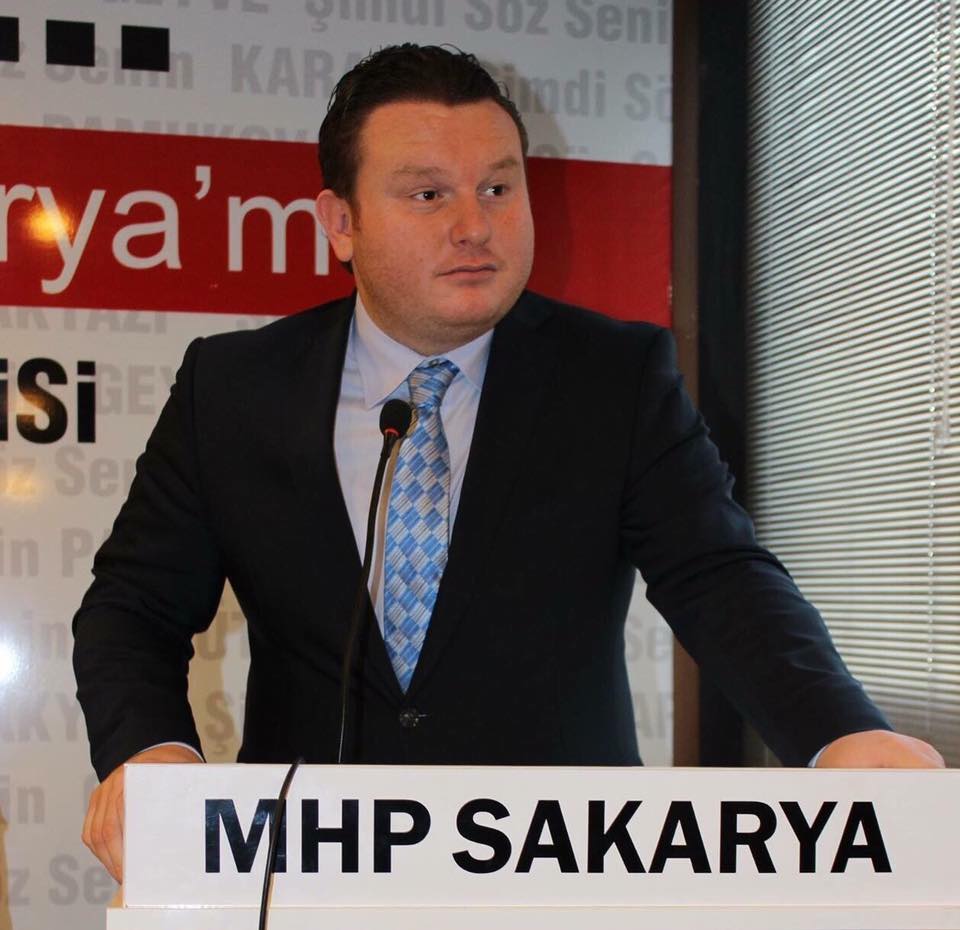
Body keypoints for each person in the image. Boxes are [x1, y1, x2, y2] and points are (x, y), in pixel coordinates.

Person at [73, 44, 943, 884]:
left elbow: (720, 578)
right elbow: (133, 607)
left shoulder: (615, 378)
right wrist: (151, 752)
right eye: (428, 194)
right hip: (310, 867)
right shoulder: (233, 389)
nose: (474, 226)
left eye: (498, 187)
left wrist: (838, 732)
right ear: (340, 222)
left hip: (558, 866)